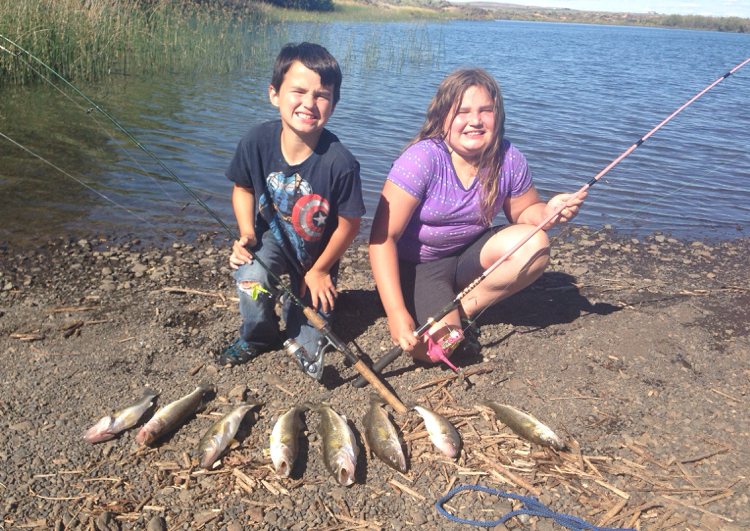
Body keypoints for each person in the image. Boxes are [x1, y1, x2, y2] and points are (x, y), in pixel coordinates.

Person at [369, 68, 585, 365]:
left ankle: (464, 307)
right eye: (463, 112)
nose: (475, 120)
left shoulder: (509, 158)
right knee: (439, 351)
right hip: (419, 268)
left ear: (498, 115)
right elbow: (382, 239)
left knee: (535, 243)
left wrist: (548, 212)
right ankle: (432, 310)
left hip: (468, 256)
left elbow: (523, 212)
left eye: (485, 110)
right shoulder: (422, 159)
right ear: (442, 117)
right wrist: (396, 313)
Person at [221, 42, 365, 367]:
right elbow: (242, 187)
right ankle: (259, 333)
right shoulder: (256, 141)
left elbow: (350, 224)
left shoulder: (341, 163)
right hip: (270, 240)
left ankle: (296, 303)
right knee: (250, 280)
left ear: (334, 103)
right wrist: (247, 233)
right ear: (274, 94)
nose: (309, 103)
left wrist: (321, 270)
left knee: (310, 341)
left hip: (316, 256)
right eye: (298, 91)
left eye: (321, 95)